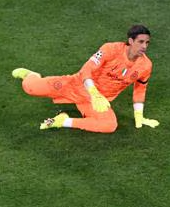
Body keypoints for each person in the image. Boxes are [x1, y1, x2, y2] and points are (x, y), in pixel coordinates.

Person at [11, 24, 159, 133]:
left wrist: (139, 116)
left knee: (109, 125)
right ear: (131, 41)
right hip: (75, 85)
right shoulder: (110, 49)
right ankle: (31, 75)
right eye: (141, 42)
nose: (144, 46)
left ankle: (63, 121)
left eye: (147, 43)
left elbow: (140, 89)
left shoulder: (145, 65)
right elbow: (86, 70)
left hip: (96, 101)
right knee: (30, 88)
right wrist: (93, 92)